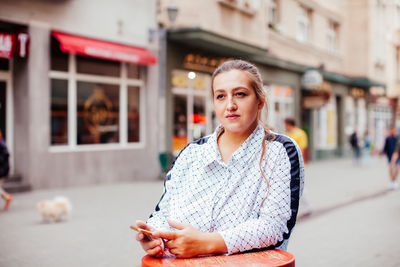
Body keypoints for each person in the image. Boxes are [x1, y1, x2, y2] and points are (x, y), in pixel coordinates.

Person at [135, 60, 304, 258]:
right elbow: (164, 213)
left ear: (260, 101)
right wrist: (156, 236)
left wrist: (207, 243)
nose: (230, 105)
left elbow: (274, 227)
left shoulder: (280, 151)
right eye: (221, 96)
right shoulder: (191, 153)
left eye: (240, 94)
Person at [283, 117, 312, 216]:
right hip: (289, 164)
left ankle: (307, 208)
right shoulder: (288, 134)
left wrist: (301, 164)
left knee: (300, 186)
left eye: (285, 124)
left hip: (298, 163)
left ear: (288, 124)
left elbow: (303, 148)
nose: (284, 126)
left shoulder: (300, 133)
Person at [0, 130, 12, 210]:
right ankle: (7, 197)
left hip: (1, 170)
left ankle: (7, 197)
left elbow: (5, 156)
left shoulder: (1, 144)